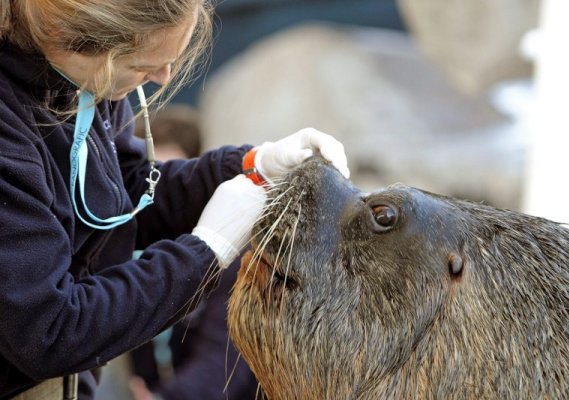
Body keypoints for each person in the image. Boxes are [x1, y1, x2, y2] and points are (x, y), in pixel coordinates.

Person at [0, 1, 349, 399]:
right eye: (143, 66)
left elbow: (122, 196)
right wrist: (206, 250)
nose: (163, 79)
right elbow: (49, 332)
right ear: (79, 42)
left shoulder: (85, 78)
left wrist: (251, 166)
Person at [126, 106, 259, 400]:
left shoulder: (234, 257)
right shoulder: (126, 250)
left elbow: (224, 360)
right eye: (147, 176)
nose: (154, 193)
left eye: (168, 174)